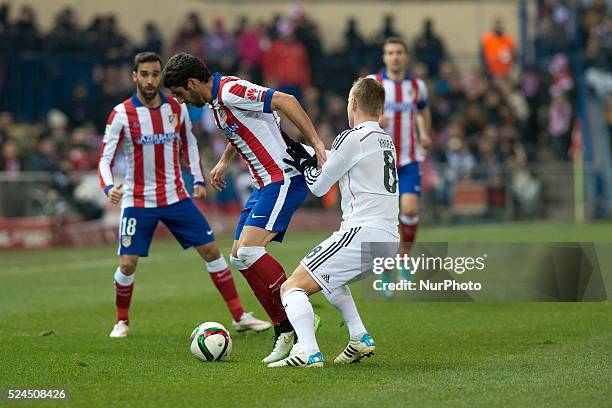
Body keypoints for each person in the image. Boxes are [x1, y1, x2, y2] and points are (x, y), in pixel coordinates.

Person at [161, 52, 326, 363]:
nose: (180, 101)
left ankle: (296, 316)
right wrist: (224, 161)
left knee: (249, 252)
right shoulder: (217, 102)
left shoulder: (229, 90)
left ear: (193, 83)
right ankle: (284, 328)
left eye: (180, 93)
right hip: (264, 184)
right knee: (238, 256)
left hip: (283, 177)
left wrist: (317, 144)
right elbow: (245, 128)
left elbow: (285, 100)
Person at [97, 52, 270, 338]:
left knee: (212, 251)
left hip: (175, 196)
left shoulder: (176, 109)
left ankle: (240, 316)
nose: (151, 80)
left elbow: (188, 145)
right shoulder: (121, 114)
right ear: (134, 76)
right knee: (127, 264)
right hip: (138, 201)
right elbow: (105, 158)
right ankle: (122, 321)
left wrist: (199, 179)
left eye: (155, 74)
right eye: (145, 74)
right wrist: (107, 187)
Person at [268, 77, 400, 368]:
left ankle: (308, 352)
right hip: (389, 238)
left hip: (362, 233)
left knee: (291, 287)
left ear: (352, 103)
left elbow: (317, 186)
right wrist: (312, 156)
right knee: (331, 280)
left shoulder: (351, 137)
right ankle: (359, 337)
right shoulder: (386, 140)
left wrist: (303, 163)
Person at [368, 37, 431, 295]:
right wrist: (374, 120)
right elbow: (357, 112)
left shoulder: (417, 86)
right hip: (379, 161)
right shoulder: (374, 83)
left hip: (408, 158)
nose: (395, 57)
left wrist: (425, 131)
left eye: (399, 52)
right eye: (390, 52)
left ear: (405, 57)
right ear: (384, 57)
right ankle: (384, 268)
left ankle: (404, 258)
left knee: (410, 207)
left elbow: (424, 111)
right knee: (381, 217)